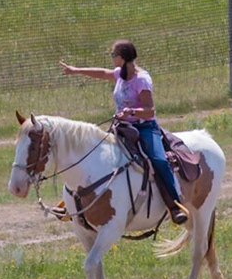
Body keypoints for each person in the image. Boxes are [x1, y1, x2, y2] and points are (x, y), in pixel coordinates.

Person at [59, 40, 190, 225]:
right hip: (121, 127)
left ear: (123, 57)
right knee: (94, 154)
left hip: (144, 127)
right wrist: (76, 70)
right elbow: (102, 73)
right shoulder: (120, 74)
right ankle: (71, 203)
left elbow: (150, 110)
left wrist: (131, 112)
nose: (112, 58)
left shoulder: (141, 79)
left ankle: (175, 205)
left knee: (159, 161)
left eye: (114, 55)